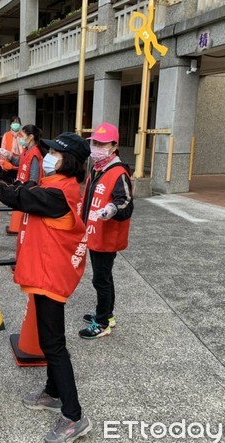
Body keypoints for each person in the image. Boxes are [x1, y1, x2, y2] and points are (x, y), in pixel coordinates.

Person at [0, 132, 93, 443]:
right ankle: (52, 392)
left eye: (55, 154)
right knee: (50, 339)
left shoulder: (59, 196)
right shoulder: (56, 187)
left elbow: (15, 196)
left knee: (54, 344)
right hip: (45, 272)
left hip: (51, 277)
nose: (48, 156)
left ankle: (75, 416)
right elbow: (22, 187)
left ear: (70, 162)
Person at [78, 122, 133, 339]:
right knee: (102, 277)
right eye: (94, 143)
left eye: (102, 143)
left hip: (106, 235)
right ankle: (106, 314)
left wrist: (112, 208)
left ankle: (103, 322)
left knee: (101, 278)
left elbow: (125, 202)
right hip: (94, 232)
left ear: (113, 146)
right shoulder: (97, 168)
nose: (97, 147)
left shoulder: (118, 172)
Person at [0, 116, 22, 181]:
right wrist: (2, 164)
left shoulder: (23, 136)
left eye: (17, 122)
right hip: (8, 166)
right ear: (11, 124)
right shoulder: (6, 135)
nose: (15, 124)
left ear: (20, 125)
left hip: (20, 166)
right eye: (14, 122)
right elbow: (2, 150)